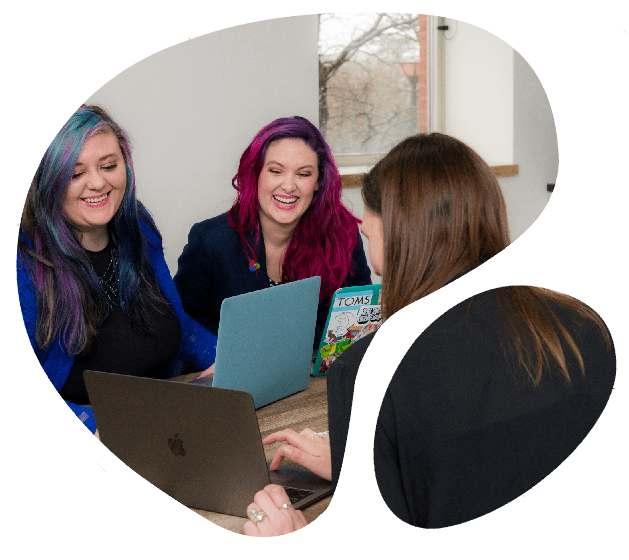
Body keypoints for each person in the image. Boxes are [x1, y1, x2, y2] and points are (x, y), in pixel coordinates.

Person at [245, 132, 615, 534]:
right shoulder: (585, 326)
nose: (368, 244)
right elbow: (494, 462)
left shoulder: (364, 370)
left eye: (370, 232)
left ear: (401, 235)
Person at [17, 105, 217, 435]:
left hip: (172, 429)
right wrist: (105, 428)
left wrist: (226, 357)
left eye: (109, 165)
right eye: (75, 173)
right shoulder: (25, 262)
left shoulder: (139, 226)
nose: (97, 183)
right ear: (47, 181)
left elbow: (176, 324)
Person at [173, 116, 372, 367]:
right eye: (276, 171)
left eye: (303, 174)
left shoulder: (343, 234)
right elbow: (180, 321)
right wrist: (227, 356)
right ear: (255, 174)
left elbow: (359, 312)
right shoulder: (211, 240)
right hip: (231, 378)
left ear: (319, 182)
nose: (288, 186)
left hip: (315, 381)